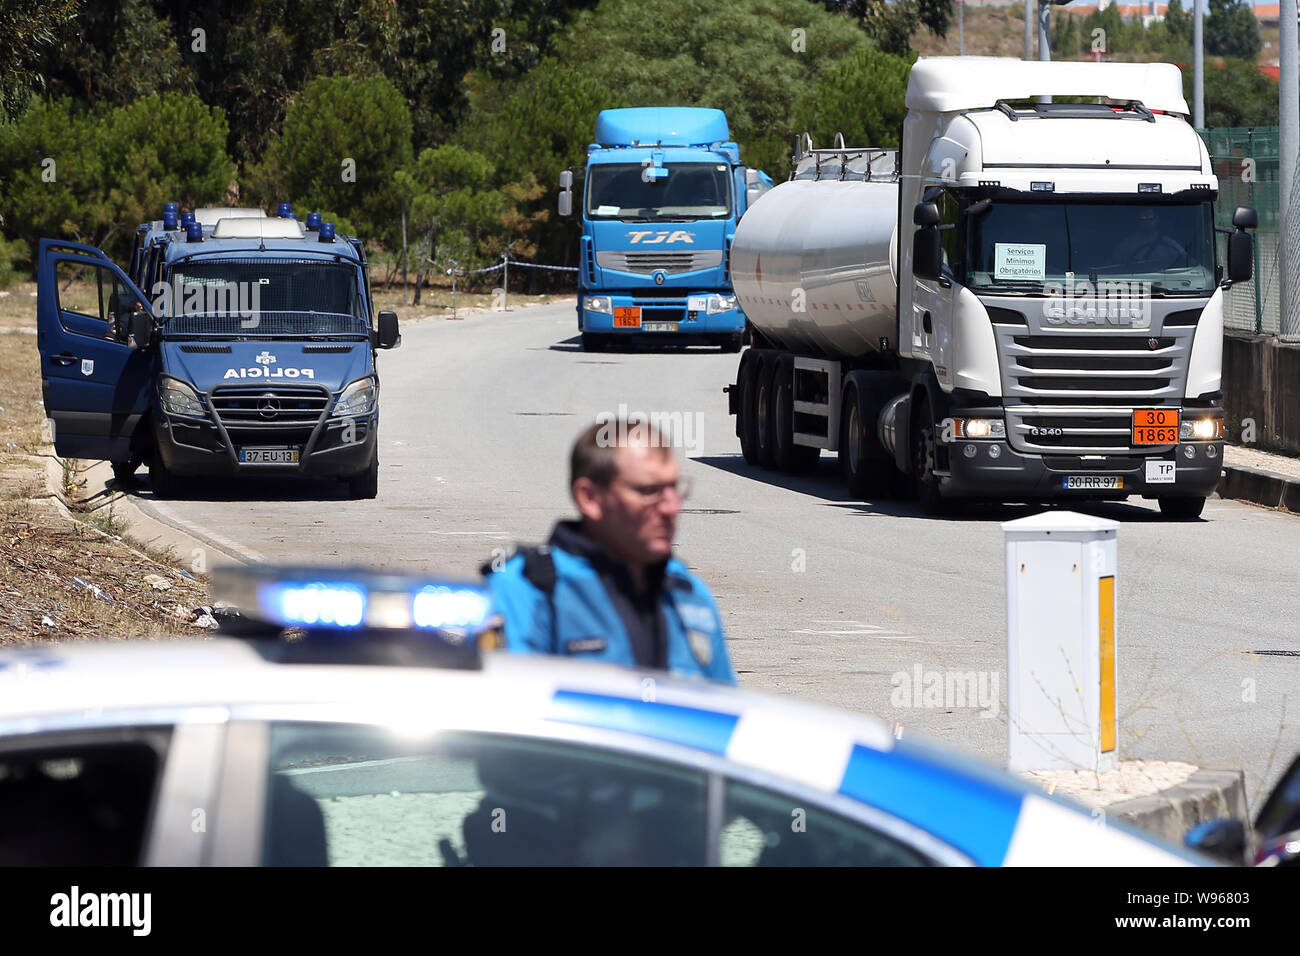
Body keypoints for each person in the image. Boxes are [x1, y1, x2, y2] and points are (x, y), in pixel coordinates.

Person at [481, 416, 736, 684]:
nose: (671, 508)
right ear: (590, 498)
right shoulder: (528, 590)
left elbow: (726, 712)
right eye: (649, 491)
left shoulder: (688, 594)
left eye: (674, 488)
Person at [1114, 208, 1188, 270]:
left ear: (1157, 219)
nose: (1147, 222)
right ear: (1138, 221)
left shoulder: (1170, 244)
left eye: (1150, 218)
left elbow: (1184, 260)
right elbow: (1116, 266)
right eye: (1143, 218)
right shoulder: (1126, 245)